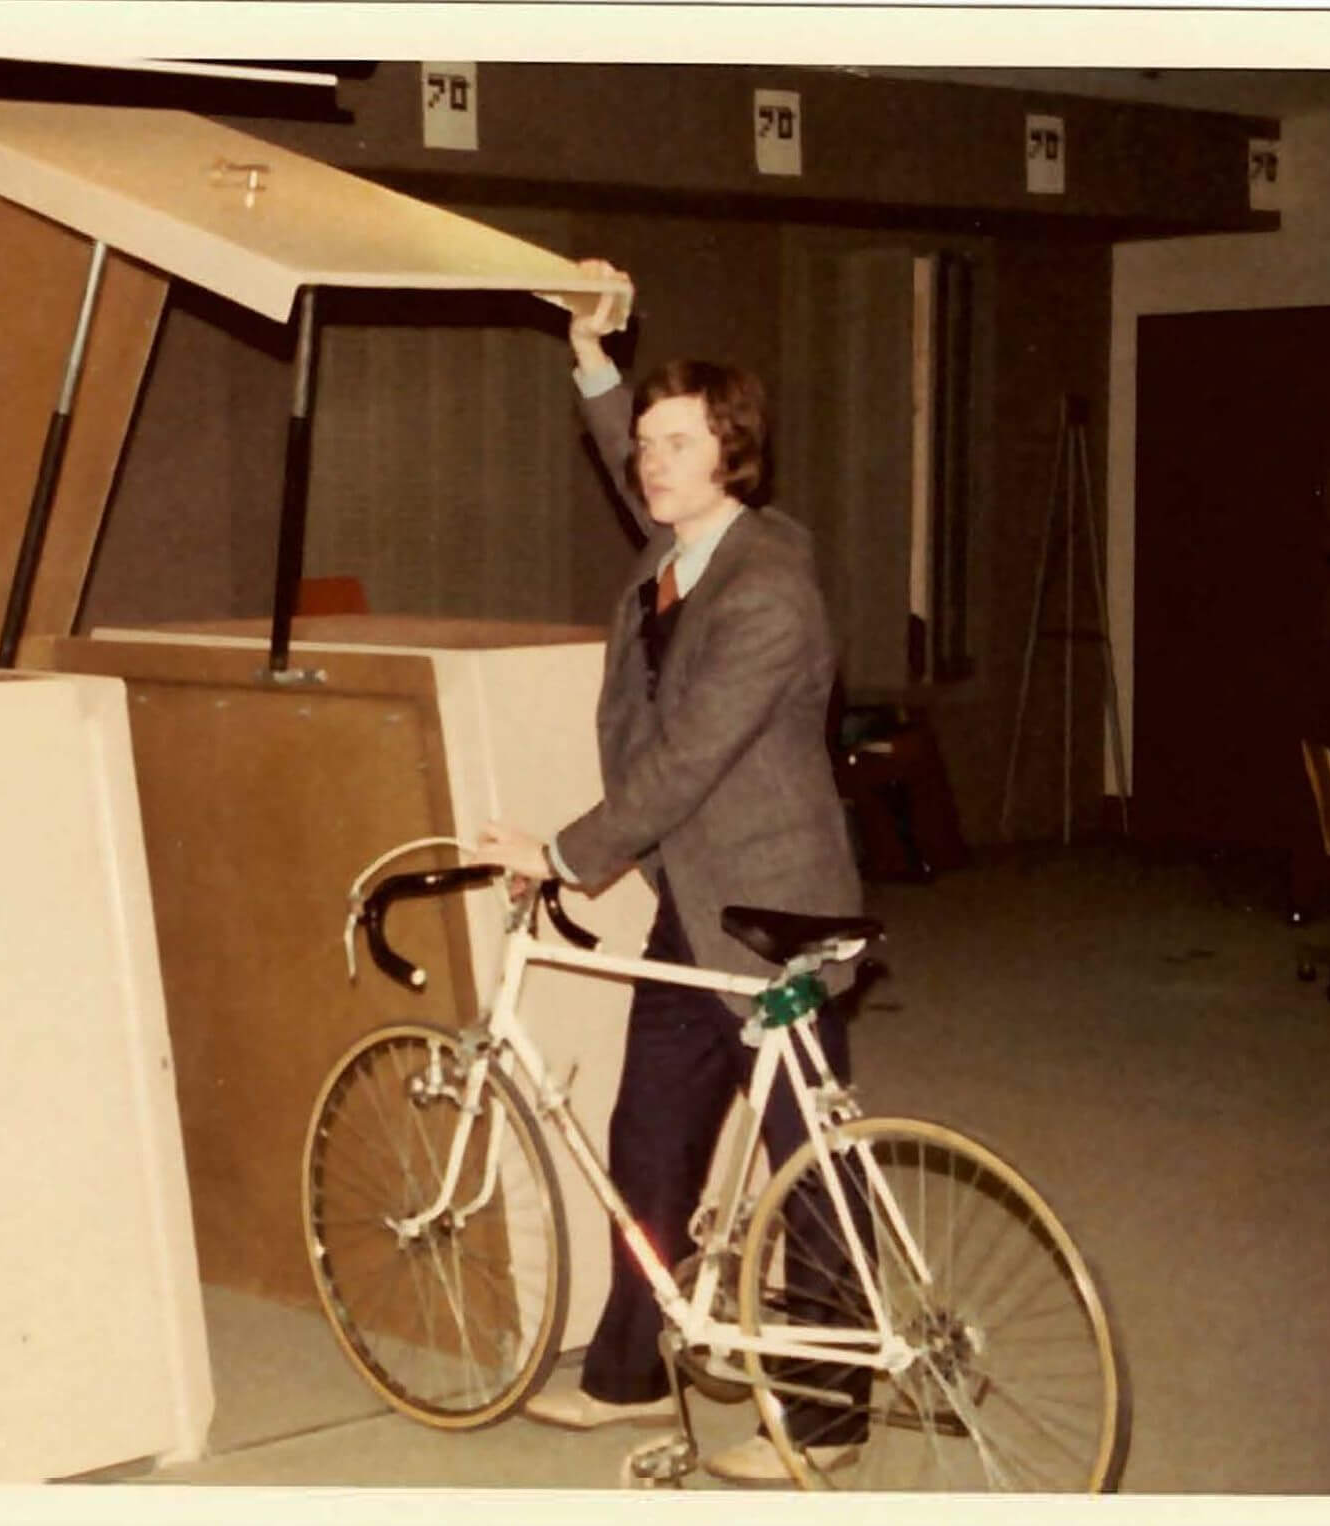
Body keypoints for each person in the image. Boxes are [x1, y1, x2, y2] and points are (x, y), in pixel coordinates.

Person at [474, 258, 866, 1484]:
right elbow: (621, 454)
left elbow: (689, 759)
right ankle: (628, 1366)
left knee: (810, 1163)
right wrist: (596, 360)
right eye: (645, 440)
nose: (650, 460)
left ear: (730, 454)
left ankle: (827, 1413)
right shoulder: (679, 548)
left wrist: (566, 853)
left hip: (773, 908)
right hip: (696, 910)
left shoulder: (766, 589)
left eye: (678, 442)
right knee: (647, 1133)